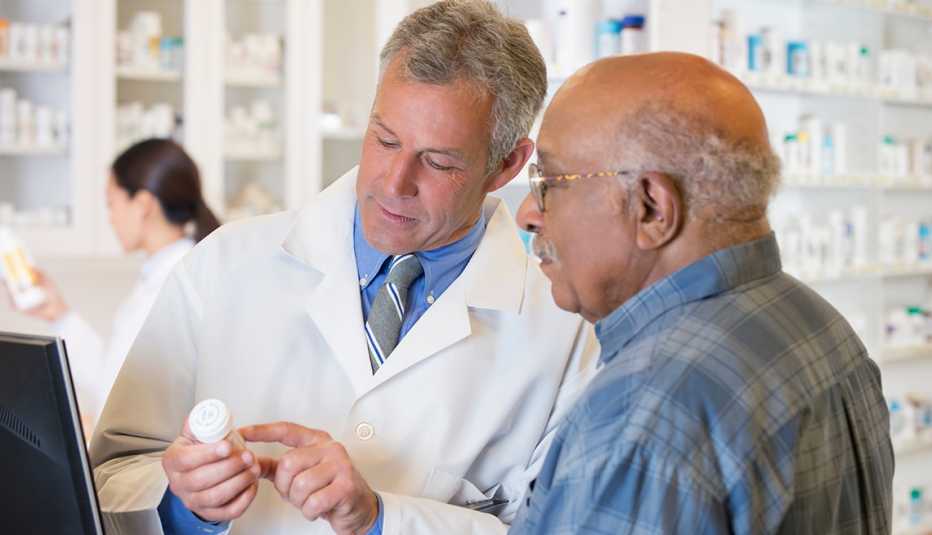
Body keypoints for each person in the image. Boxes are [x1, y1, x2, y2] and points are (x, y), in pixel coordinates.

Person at [90, 2, 598, 534]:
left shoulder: (563, 333)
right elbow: (106, 478)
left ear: (507, 164)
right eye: (385, 139)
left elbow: (565, 528)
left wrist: (381, 520)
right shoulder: (224, 265)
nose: (393, 183)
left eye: (438, 162)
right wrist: (183, 505)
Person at [507, 51, 895, 534]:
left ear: (652, 208)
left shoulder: (645, 413)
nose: (528, 214)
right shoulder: (815, 322)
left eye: (549, 183)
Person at [12, 138, 220, 432]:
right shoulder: (160, 275)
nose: (109, 218)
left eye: (111, 204)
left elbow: (131, 395)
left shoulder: (179, 281)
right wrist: (58, 313)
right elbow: (118, 377)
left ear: (143, 204)